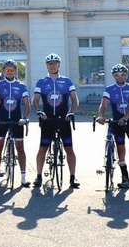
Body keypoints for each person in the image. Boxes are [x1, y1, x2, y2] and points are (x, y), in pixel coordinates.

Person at [97, 64, 129, 192]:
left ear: (126, 75)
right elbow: (103, 105)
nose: (120, 77)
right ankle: (125, 178)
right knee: (121, 151)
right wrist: (101, 115)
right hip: (117, 123)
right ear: (114, 76)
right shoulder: (109, 89)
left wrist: (125, 118)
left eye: (122, 75)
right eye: (117, 75)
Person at [32, 53, 80, 189]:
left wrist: (71, 112)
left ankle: (73, 177)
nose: (52, 66)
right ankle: (39, 176)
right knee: (42, 149)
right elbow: (35, 100)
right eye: (49, 64)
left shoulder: (67, 81)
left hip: (63, 119)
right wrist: (39, 111)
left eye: (54, 63)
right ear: (47, 66)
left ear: (59, 65)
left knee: (69, 149)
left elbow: (75, 100)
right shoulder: (41, 82)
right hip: (47, 120)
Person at [0, 59, 31, 187]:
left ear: (15, 71)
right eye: (7, 70)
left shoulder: (21, 86)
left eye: (12, 70)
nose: (9, 72)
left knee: (20, 148)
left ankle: (24, 176)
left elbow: (27, 104)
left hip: (16, 120)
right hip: (1, 120)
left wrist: (24, 118)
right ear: (3, 71)